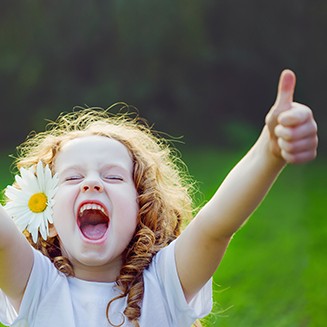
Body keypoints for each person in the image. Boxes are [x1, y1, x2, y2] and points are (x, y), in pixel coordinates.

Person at [0, 69, 318, 327]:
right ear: (49, 218)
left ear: (142, 209)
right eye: (72, 178)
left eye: (113, 176)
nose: (92, 184)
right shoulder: (36, 286)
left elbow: (216, 225)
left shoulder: (165, 283)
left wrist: (270, 150)